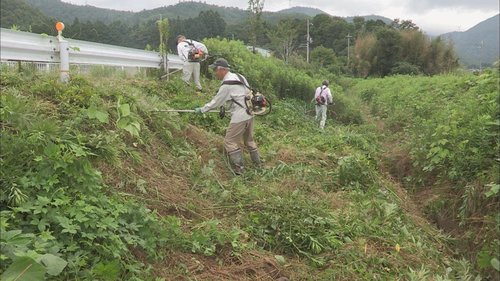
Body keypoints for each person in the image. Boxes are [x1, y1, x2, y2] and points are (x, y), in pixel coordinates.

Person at [194, 58, 261, 175]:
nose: (215, 73)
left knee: (229, 142)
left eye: (216, 70)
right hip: (250, 113)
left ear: (223, 70)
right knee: (249, 140)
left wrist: (202, 109)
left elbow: (216, 102)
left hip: (239, 117)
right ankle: (258, 165)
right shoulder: (240, 77)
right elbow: (244, 95)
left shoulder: (227, 84)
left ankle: (240, 170)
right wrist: (228, 107)